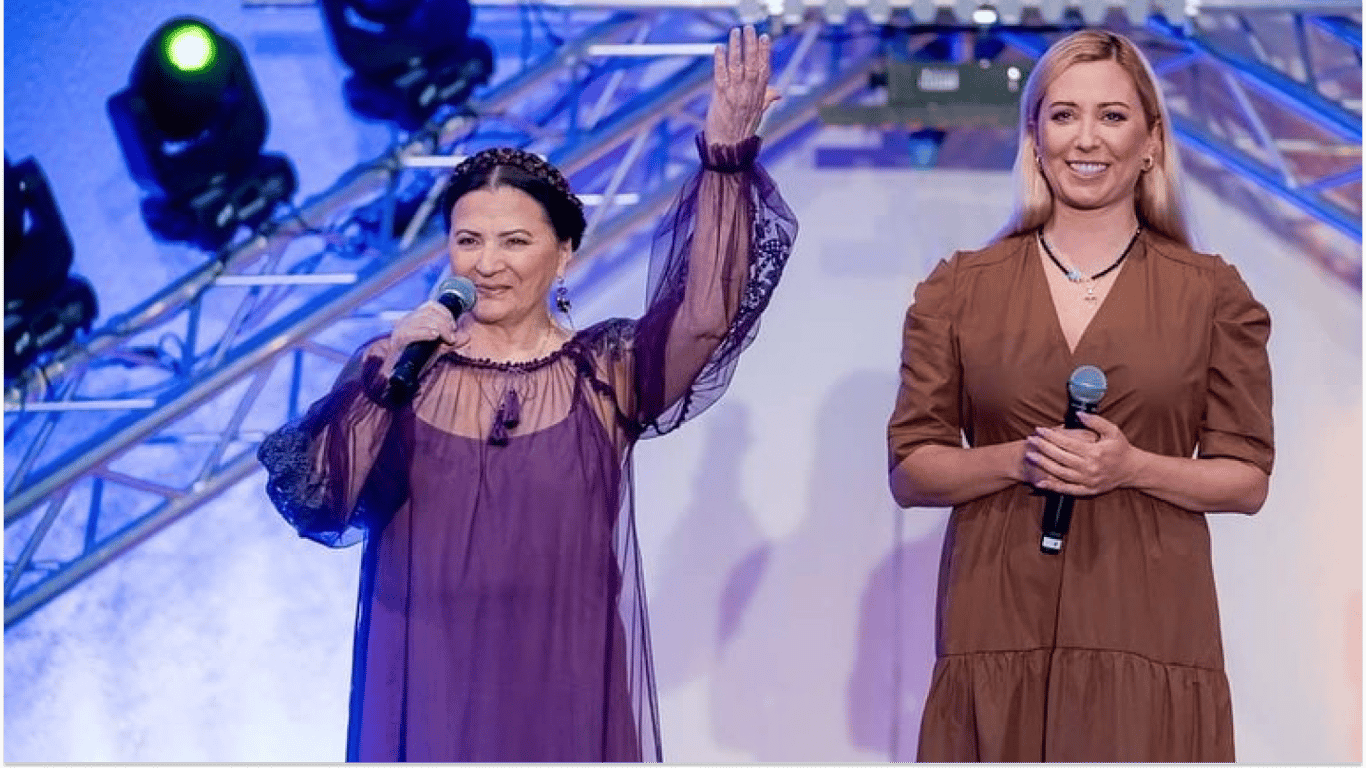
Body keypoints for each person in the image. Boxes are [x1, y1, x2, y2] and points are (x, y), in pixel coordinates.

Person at [256, 25, 795, 763]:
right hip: (429, 689)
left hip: (561, 693)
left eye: (514, 241)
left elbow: (705, 316)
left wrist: (725, 160)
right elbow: (319, 502)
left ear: (563, 252)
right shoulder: (396, 369)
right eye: (467, 241)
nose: (487, 264)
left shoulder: (603, 370)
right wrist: (384, 380)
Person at [886, 28, 1274, 763]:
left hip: (1150, 630)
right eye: (1063, 115)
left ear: (1151, 142)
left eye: (1112, 116)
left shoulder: (1212, 295)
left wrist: (1132, 468)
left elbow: (1247, 478)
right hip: (998, 625)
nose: (1086, 138)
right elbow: (912, 468)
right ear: (1034, 137)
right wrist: (1022, 459)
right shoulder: (958, 290)